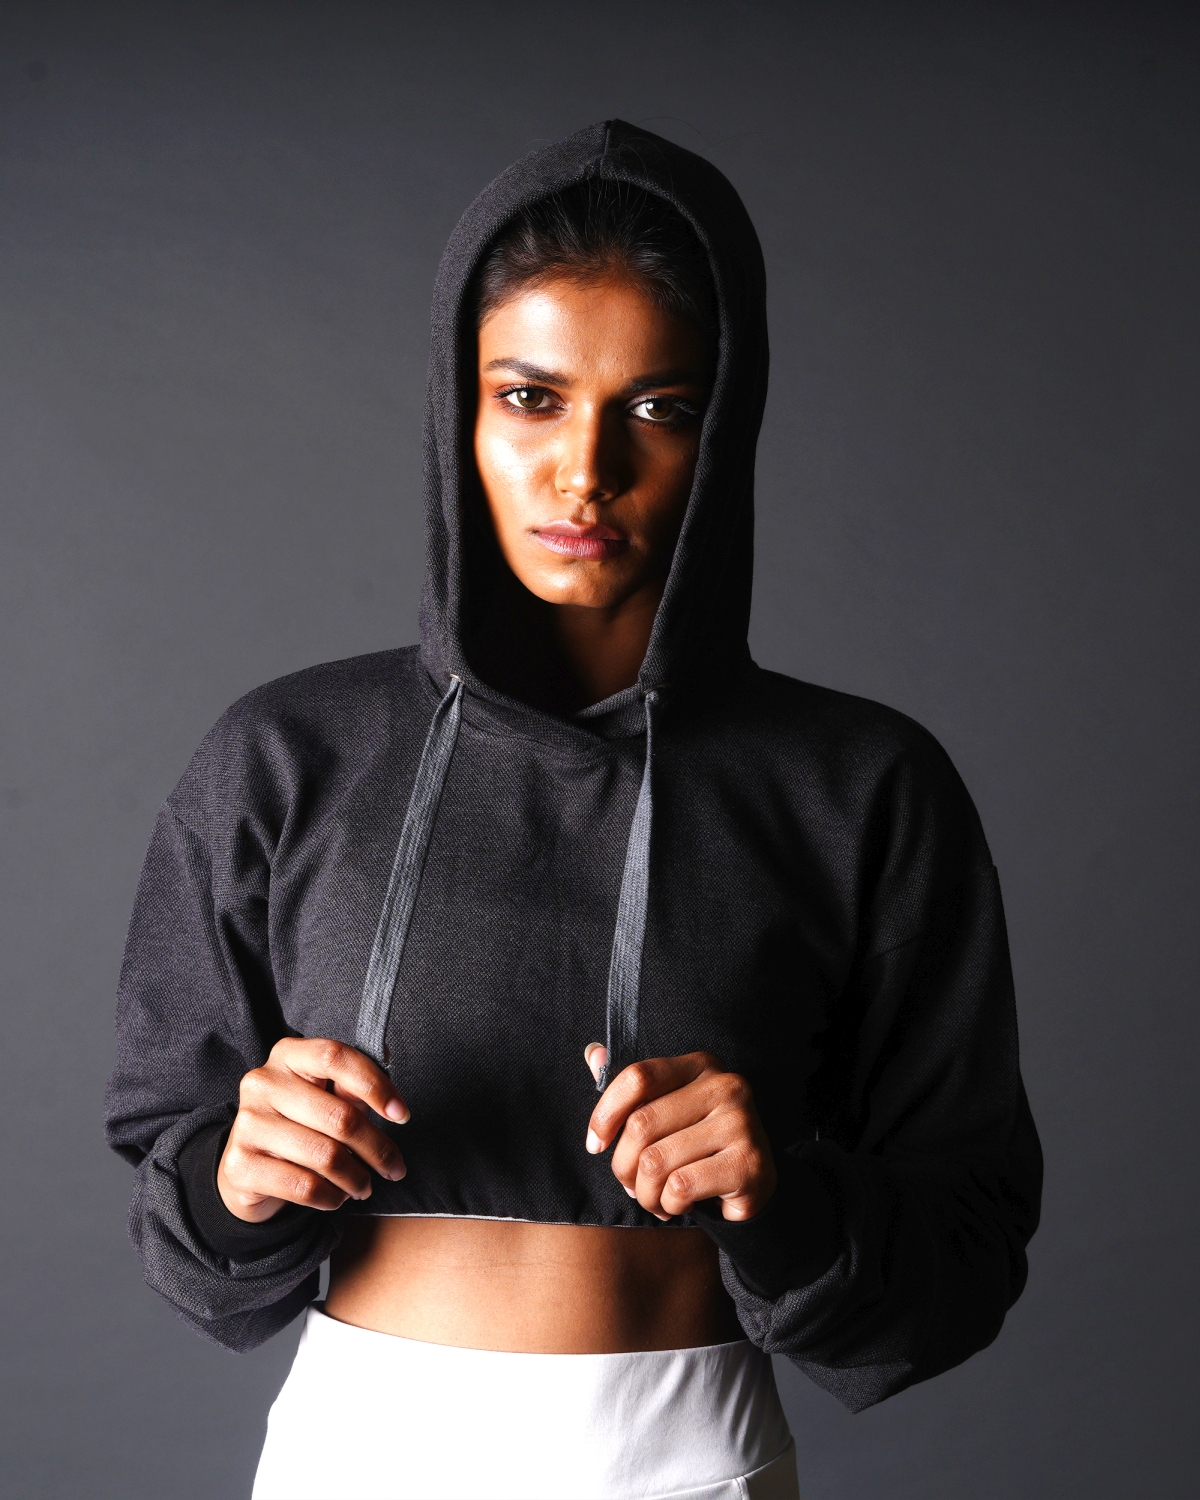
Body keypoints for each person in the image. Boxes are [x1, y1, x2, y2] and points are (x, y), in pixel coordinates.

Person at [105, 121, 1042, 1500]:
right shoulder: (284, 758)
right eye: (531, 398)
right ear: (460, 411)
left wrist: (779, 1199)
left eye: (658, 407)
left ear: (727, 429)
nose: (584, 470)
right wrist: (239, 1175)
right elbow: (172, 1191)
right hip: (353, 1457)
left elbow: (966, 1246)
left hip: (692, 1458)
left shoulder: (862, 787)